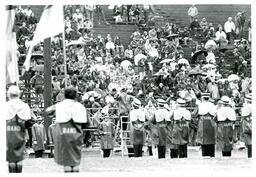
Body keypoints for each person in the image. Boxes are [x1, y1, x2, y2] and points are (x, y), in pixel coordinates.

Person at [46, 87, 88, 172]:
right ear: (75, 95)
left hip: (63, 133)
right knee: (75, 160)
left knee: (67, 161)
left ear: (65, 95)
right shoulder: (80, 106)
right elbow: (86, 123)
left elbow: (48, 111)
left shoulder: (59, 105)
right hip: (76, 133)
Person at [6, 85, 32, 173]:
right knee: (19, 158)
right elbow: (30, 121)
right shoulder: (24, 106)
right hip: (20, 133)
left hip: (8, 133)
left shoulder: (5, 106)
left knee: (11, 159)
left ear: (9, 94)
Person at [196, 93, 217, 158]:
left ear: (203, 98)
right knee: (211, 138)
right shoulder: (213, 105)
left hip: (203, 123)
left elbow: (195, 114)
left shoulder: (200, 105)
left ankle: (204, 154)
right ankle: (212, 154)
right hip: (211, 123)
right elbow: (216, 115)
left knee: (203, 139)